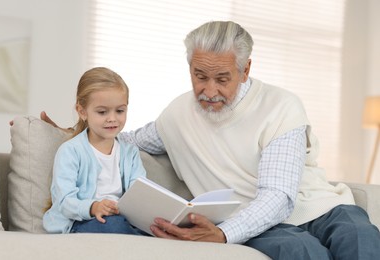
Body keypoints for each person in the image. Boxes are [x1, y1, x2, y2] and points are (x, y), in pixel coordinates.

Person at [41, 21, 380, 259]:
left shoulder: (282, 106)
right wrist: (65, 131)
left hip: (315, 206)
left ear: (245, 71)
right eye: (199, 76)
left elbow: (279, 197)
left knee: (362, 237)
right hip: (250, 217)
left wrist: (223, 234)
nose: (209, 91)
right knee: (302, 252)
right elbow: (122, 138)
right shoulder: (177, 114)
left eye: (222, 78)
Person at [42, 67, 147, 235]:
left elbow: (139, 192)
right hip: (81, 221)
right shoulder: (70, 151)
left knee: (158, 227)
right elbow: (64, 201)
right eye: (102, 112)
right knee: (113, 226)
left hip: (120, 217)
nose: (112, 118)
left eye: (120, 111)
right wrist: (93, 207)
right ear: (82, 112)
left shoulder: (130, 153)